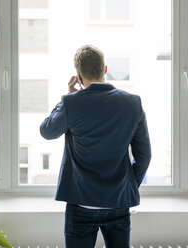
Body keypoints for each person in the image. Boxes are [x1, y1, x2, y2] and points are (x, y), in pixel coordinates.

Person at [40, 45, 151, 248]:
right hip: (118, 201)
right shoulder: (133, 103)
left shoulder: (71, 103)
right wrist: (127, 185)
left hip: (81, 202)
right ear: (105, 69)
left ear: (78, 75)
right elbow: (144, 156)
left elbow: (46, 131)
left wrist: (67, 98)